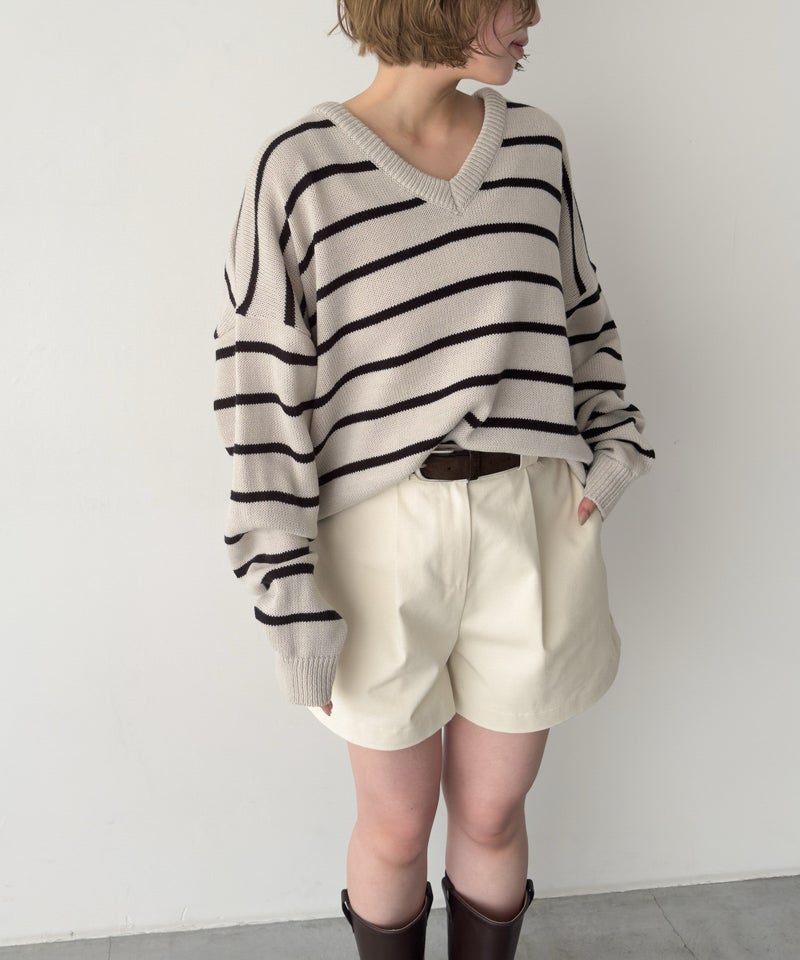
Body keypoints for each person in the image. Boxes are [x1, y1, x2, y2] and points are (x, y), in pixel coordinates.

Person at [212, 1, 656, 957]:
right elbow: (260, 392)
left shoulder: (536, 147)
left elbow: (581, 314)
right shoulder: (299, 170)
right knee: (396, 825)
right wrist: (287, 591)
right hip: (375, 541)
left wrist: (614, 445)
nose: (533, 15)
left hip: (531, 522)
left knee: (492, 816)